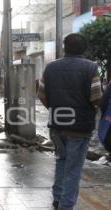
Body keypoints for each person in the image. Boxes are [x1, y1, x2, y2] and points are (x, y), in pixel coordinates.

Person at [37, 33, 102, 210]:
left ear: (65, 47)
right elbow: (96, 97)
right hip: (80, 128)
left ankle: (57, 199)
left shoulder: (51, 68)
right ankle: (66, 206)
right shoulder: (91, 68)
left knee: (61, 161)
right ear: (84, 48)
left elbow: (41, 95)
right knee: (74, 169)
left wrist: (55, 108)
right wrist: (93, 111)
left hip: (57, 126)